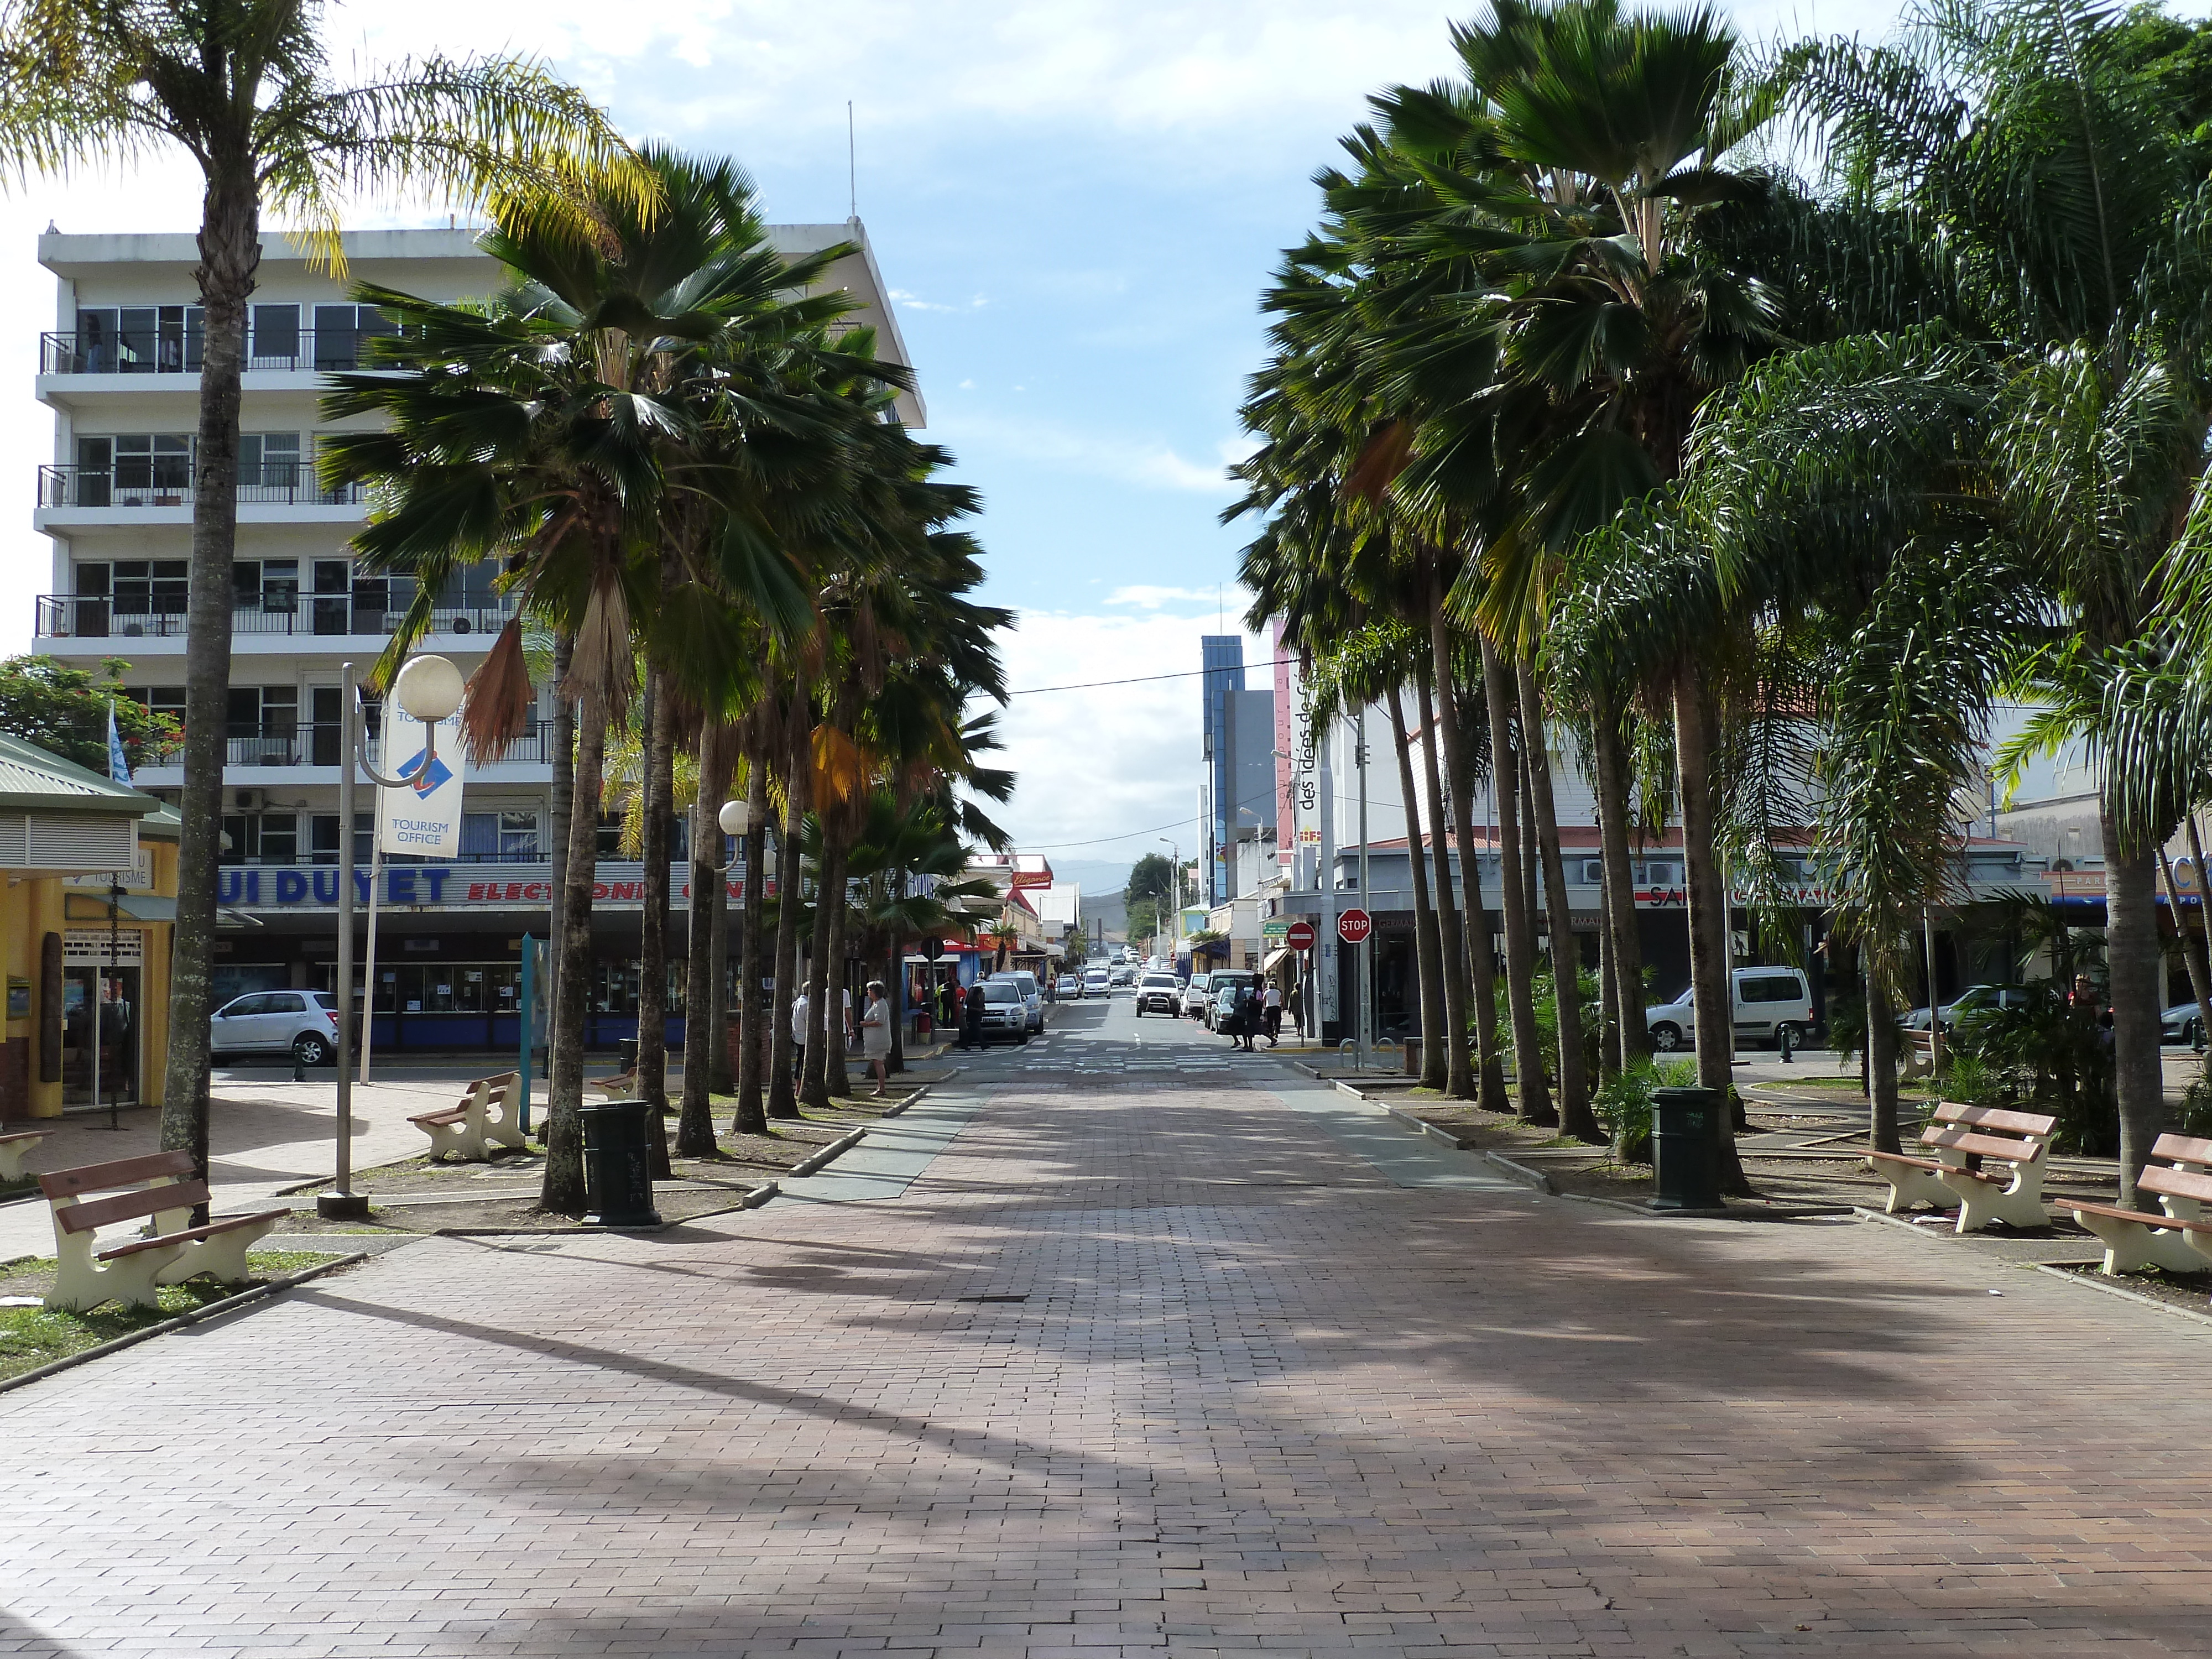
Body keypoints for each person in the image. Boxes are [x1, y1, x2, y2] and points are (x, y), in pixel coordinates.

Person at [860, 979, 893, 1097]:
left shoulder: (881, 1004)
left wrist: (866, 1024)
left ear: (875, 992)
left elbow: (880, 1021)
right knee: (877, 1062)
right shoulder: (876, 1004)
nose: (868, 992)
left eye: (869, 990)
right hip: (874, 1039)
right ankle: (880, 1087)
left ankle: (882, 1088)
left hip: (879, 1040)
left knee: (879, 1063)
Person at [790, 988, 810, 1081]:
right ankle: (800, 1085)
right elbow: (809, 1023)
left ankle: (798, 1086)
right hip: (804, 1038)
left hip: (797, 1036)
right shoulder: (806, 1005)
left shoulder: (798, 1002)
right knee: (803, 1062)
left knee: (800, 1061)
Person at [960, 980, 986, 1051]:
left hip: (978, 1017)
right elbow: (970, 1008)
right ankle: (983, 1045)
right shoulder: (972, 999)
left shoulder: (981, 999)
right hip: (973, 1018)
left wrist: (983, 1008)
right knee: (979, 1032)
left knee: (970, 1032)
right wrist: (978, 1010)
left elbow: (983, 1005)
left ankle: (964, 1044)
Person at [1263, 982, 1283, 1047]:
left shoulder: (1267, 992)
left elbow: (1264, 1000)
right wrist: (1280, 1004)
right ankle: (1276, 1031)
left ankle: (1271, 1032)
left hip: (1269, 1007)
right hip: (1277, 1007)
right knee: (1277, 1020)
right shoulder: (1278, 992)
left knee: (1270, 1021)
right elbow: (1281, 1000)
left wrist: (1264, 1007)